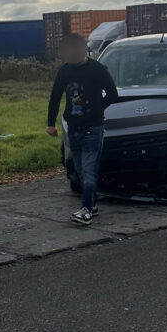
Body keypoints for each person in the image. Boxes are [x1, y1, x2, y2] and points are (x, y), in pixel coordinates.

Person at [46, 32, 119, 225]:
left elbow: (113, 94)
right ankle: (92, 204)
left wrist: (97, 108)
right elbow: (55, 97)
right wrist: (50, 123)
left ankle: (86, 210)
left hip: (93, 128)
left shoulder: (97, 69)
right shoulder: (64, 71)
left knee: (88, 170)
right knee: (79, 169)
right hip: (73, 128)